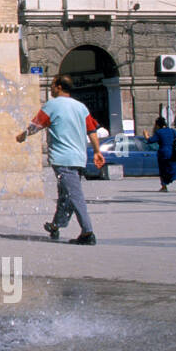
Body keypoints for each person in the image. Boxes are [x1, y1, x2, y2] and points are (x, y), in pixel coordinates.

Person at [15, 75, 105, 245]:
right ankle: (56, 225)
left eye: (52, 86)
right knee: (65, 194)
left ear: (58, 86)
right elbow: (92, 130)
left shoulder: (52, 105)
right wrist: (97, 151)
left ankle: (88, 232)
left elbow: (36, 125)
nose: (50, 89)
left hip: (62, 158)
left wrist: (22, 136)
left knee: (74, 195)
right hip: (79, 158)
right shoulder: (81, 107)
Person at [152, 117, 176, 193]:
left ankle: (164, 187)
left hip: (163, 153)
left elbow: (151, 140)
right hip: (173, 152)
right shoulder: (172, 131)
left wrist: (146, 136)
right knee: (175, 168)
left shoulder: (159, 132)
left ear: (158, 125)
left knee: (163, 170)